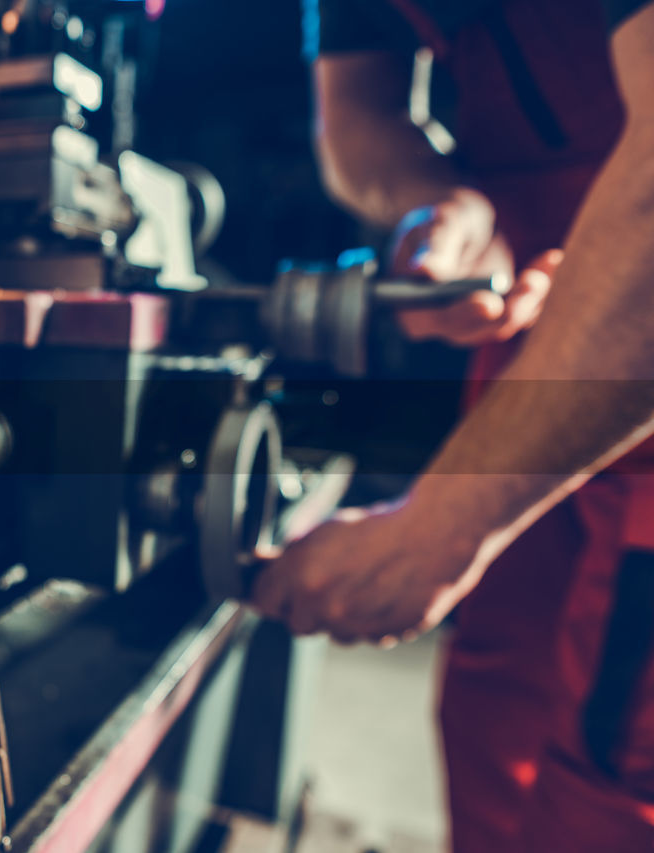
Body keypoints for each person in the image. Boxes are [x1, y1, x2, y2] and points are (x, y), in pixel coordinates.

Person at [254, 1, 654, 850]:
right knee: (496, 692)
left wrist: (436, 528)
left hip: (634, 299)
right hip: (546, 334)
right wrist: (435, 206)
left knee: (615, 769)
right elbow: (356, 112)